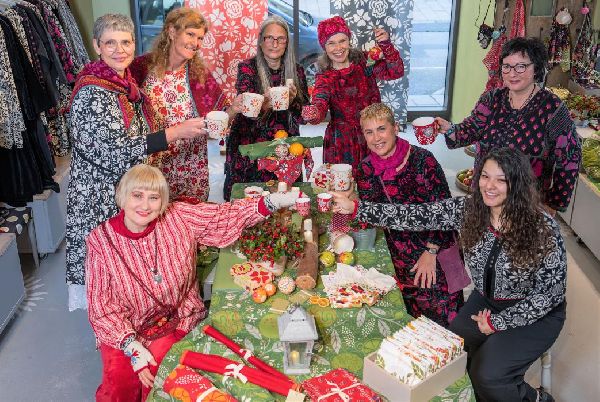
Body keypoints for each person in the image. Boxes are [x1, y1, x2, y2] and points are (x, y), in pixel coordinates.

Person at [332, 147, 565, 402]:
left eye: (501, 180)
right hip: (487, 301)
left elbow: (550, 295)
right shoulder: (470, 209)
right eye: (485, 176)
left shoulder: (542, 228)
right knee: (450, 353)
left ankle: (535, 398)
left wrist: (499, 323)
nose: (489, 186)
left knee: (487, 376)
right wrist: (356, 207)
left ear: (517, 184)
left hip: (535, 314)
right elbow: (416, 215)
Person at [86, 164, 299, 401]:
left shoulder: (179, 216)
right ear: (122, 196)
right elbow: (100, 305)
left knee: (160, 370)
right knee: (118, 383)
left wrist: (271, 202)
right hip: (123, 327)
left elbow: (224, 216)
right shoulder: (100, 241)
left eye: (154, 197)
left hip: (175, 317)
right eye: (137, 195)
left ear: (163, 201)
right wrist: (132, 347)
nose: (145, 206)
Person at [66, 14, 207, 311]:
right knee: (109, 279)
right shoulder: (93, 91)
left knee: (130, 277)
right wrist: (172, 133)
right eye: (110, 43)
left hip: (125, 191)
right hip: (102, 198)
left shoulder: (121, 83)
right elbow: (114, 152)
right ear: (97, 45)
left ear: (134, 43)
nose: (119, 50)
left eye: (126, 42)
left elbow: (135, 134)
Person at [434, 37, 581, 215]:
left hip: (526, 204)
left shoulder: (553, 108)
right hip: (485, 197)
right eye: (507, 66)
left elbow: (570, 158)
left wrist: (555, 203)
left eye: (521, 66)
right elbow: (471, 129)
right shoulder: (492, 98)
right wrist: (449, 128)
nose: (512, 73)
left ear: (536, 68)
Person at [355, 103, 463, 327]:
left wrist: (430, 252)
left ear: (395, 128)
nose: (376, 138)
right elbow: (372, 214)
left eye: (381, 129)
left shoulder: (424, 160)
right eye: (369, 132)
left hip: (435, 247)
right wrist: (352, 198)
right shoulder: (365, 169)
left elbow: (447, 212)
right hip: (399, 254)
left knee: (445, 324)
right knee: (408, 323)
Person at [130, 8, 243, 202]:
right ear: (172, 31)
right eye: (190, 34)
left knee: (191, 217)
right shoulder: (141, 67)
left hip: (191, 168)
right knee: (154, 215)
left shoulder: (199, 74)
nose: (196, 43)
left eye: (200, 38)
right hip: (153, 166)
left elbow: (219, 119)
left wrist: (233, 109)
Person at [223, 15, 309, 201]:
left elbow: (303, 117)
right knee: (249, 202)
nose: (274, 44)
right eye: (269, 38)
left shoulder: (297, 71)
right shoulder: (247, 68)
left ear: (287, 43)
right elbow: (247, 112)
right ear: (261, 41)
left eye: (280, 39)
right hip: (250, 145)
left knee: (285, 203)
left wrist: (293, 101)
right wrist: (266, 102)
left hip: (284, 146)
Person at [301, 16, 404, 172]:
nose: (338, 48)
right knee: (344, 182)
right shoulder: (325, 77)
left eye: (342, 41)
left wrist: (386, 45)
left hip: (373, 133)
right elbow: (319, 105)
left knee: (378, 179)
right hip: (342, 142)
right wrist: (313, 112)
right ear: (324, 47)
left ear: (349, 40)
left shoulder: (364, 61)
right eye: (331, 43)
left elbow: (396, 71)